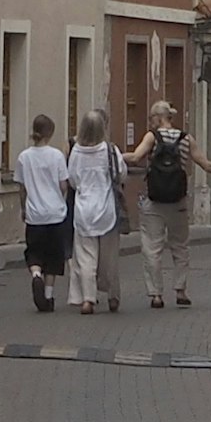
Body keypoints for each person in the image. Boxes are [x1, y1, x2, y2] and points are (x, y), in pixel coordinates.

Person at [120, 103, 211, 308]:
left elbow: (136, 157)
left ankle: (156, 294)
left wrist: (110, 155)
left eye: (151, 118)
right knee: (180, 247)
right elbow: (206, 164)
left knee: (151, 247)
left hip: (153, 200)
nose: (150, 122)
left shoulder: (151, 137)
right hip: (178, 200)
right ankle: (181, 289)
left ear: (158, 118)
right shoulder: (186, 139)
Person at [65, 108, 125, 314]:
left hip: (84, 210)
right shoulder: (110, 150)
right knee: (109, 257)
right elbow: (121, 175)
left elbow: (72, 180)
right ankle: (113, 296)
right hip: (106, 208)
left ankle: (88, 299)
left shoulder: (76, 152)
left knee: (85, 257)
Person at [14, 113, 73, 314]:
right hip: (55, 213)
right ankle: (47, 296)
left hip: (34, 214)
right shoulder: (56, 156)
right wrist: (60, 195)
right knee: (54, 256)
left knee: (35, 251)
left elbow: (22, 188)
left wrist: (23, 208)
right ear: (51, 132)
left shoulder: (24, 157)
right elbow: (63, 184)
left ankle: (35, 275)